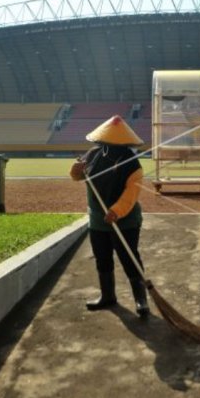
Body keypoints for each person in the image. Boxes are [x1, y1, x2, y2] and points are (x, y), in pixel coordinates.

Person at [69, 115, 149, 317]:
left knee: (129, 257)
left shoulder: (132, 164)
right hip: (98, 220)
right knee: (102, 258)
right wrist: (75, 170)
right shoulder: (93, 154)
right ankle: (108, 296)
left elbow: (131, 195)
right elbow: (79, 177)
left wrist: (116, 211)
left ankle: (141, 299)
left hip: (125, 221)